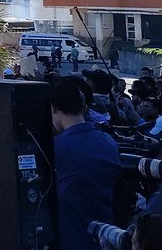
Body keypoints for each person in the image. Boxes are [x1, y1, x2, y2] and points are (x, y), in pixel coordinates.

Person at [52, 77, 119, 250]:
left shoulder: (56, 148)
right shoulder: (108, 142)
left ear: (55, 108)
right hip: (105, 238)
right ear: (84, 106)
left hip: (71, 239)